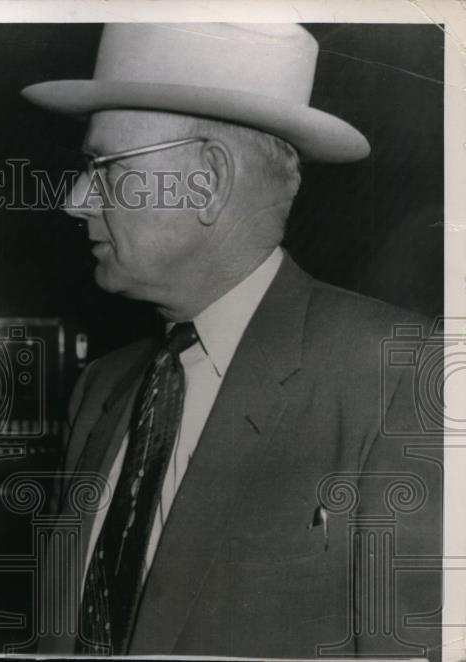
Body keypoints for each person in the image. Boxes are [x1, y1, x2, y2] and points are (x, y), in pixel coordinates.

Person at [22, 23, 442, 659]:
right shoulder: (101, 390)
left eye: (102, 167)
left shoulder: (399, 376)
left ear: (207, 181)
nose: (77, 200)